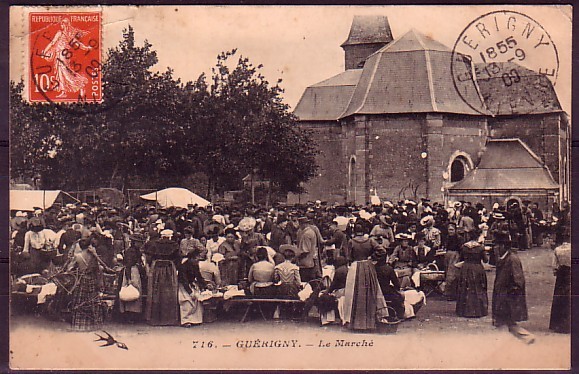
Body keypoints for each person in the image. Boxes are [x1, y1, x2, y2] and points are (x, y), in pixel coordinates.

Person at [492, 239, 533, 343]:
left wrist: (510, 296)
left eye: (496, 245)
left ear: (503, 246)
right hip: (502, 297)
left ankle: (527, 339)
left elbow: (518, 281)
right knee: (506, 323)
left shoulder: (512, 259)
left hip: (507, 298)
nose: (494, 248)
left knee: (504, 323)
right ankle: (527, 338)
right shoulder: (504, 258)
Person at [41, 18, 91, 98]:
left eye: (63, 24)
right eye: (61, 24)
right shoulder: (69, 35)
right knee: (62, 73)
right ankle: (64, 91)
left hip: (62, 54)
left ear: (65, 25)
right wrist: (86, 48)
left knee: (64, 73)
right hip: (62, 54)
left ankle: (80, 85)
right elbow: (78, 44)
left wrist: (45, 51)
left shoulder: (61, 33)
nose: (61, 25)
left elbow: (52, 43)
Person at [144, 229, 180, 326]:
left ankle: (155, 319)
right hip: (169, 268)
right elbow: (178, 258)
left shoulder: (154, 244)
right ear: (170, 236)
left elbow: (149, 258)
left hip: (157, 268)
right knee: (169, 292)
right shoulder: (174, 245)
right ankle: (169, 319)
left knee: (156, 291)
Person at [69, 238, 104, 331]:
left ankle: (79, 325)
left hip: (82, 280)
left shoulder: (77, 256)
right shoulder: (93, 256)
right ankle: (94, 325)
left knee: (80, 302)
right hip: (92, 280)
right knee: (92, 302)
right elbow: (98, 269)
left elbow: (69, 269)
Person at [456, 231, 488, 318]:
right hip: (477, 268)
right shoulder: (480, 247)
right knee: (478, 288)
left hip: (466, 268)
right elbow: (485, 260)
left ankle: (464, 310)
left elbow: (460, 258)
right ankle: (478, 310)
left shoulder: (464, 247)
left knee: (465, 288)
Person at [176, 251, 207, 327]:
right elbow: (184, 281)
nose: (198, 260)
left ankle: (195, 320)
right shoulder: (183, 266)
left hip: (192, 284)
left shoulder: (195, 265)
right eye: (196, 258)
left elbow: (199, 277)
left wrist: (205, 286)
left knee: (197, 298)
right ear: (191, 259)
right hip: (183, 286)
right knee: (187, 300)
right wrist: (190, 292)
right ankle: (185, 321)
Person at [373, 248, 404, 321]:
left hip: (375, 291)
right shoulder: (389, 269)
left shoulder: (373, 268)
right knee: (399, 298)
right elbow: (396, 283)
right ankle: (399, 316)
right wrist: (397, 289)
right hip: (386, 292)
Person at [549, 231, 571, 333]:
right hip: (571, 272)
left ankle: (558, 324)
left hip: (562, 273)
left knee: (559, 297)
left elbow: (554, 265)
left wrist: (556, 271)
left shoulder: (558, 250)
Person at [118, 246, 144, 322]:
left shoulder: (131, 251)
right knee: (134, 293)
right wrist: (130, 280)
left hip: (129, 274)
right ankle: (132, 316)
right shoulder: (132, 254)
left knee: (128, 293)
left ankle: (128, 314)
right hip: (132, 274)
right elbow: (129, 265)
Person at [296, 217, 322, 282]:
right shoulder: (311, 231)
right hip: (311, 260)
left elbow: (305, 250)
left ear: (303, 224)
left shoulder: (306, 234)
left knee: (306, 282)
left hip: (305, 262)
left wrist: (296, 255)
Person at [443, 223, 463, 300]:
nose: (450, 231)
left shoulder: (459, 238)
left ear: (455, 230)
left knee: (453, 275)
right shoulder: (447, 237)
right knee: (447, 274)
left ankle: (453, 294)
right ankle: (448, 293)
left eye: (452, 230)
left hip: (455, 256)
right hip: (448, 256)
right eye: (449, 229)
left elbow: (461, 249)